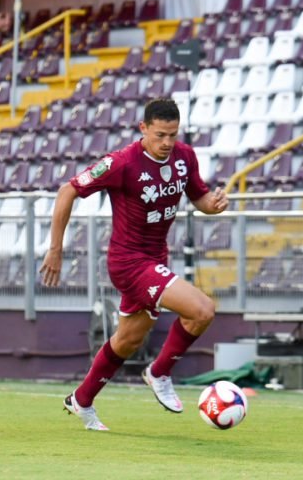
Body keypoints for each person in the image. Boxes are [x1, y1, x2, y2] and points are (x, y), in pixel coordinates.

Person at [40, 98, 229, 431]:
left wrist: (212, 205)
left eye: (172, 134)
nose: (167, 143)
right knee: (202, 310)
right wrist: (56, 249)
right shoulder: (122, 163)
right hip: (129, 262)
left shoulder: (184, 156)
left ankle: (81, 400)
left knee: (127, 340)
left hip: (156, 259)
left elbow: (199, 198)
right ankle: (159, 372)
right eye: (160, 135)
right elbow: (67, 191)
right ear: (143, 128)